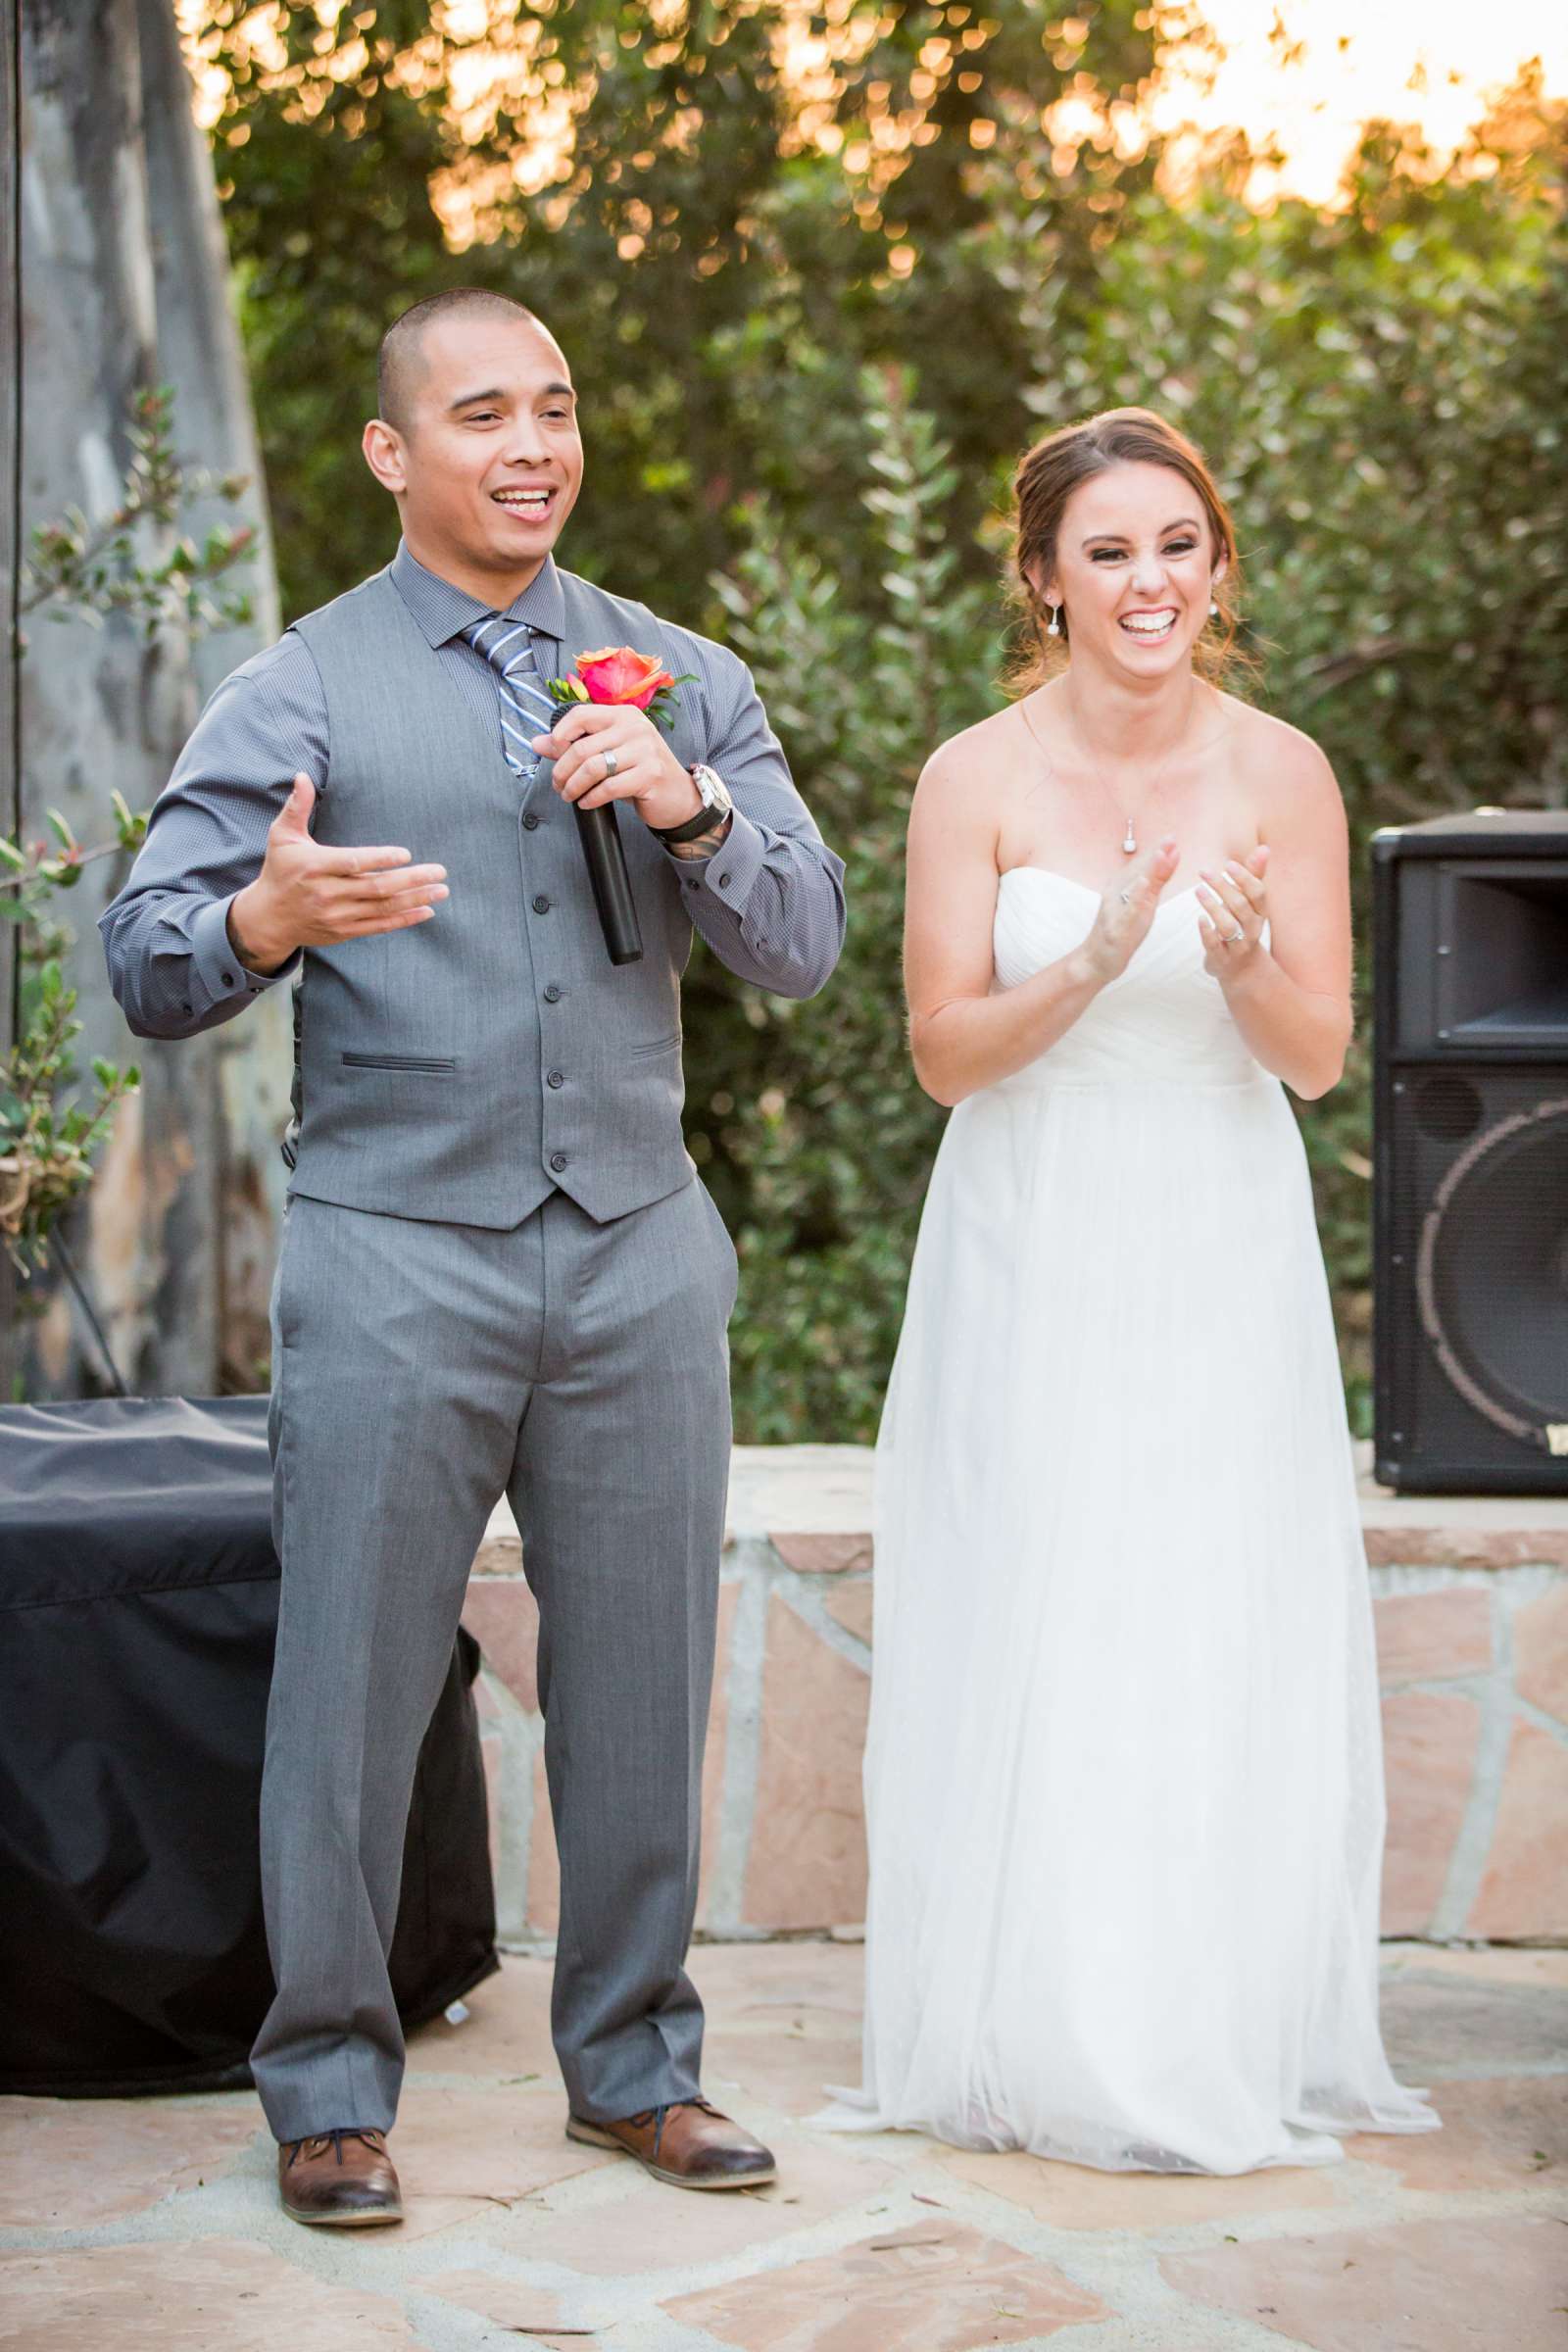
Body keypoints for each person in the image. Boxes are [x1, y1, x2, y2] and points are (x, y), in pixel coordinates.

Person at [101, 288, 846, 2225]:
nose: (531, 443)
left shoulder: (677, 674)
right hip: (393, 1249)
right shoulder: (305, 687)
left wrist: (687, 809)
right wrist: (260, 917)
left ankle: (635, 2065)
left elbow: (803, 941)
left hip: (635, 1250)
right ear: (391, 451)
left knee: (637, 1678)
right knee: (343, 1686)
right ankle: (327, 2085)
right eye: (483, 412)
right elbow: (149, 951)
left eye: (556, 408)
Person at [820, 406, 1437, 2174]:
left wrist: (1238, 964)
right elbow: (945, 1054)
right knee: (1040, 1598)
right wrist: (1095, 953)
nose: (1148, 579)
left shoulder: (1286, 774)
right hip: (1031, 1228)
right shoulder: (975, 778)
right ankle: (1031, 2030)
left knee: (1201, 1611)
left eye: (1178, 544)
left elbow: (1316, 1059)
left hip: (1215, 1234)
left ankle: (1202, 2025)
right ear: (1044, 579)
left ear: (1218, 564)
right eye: (1108, 551)